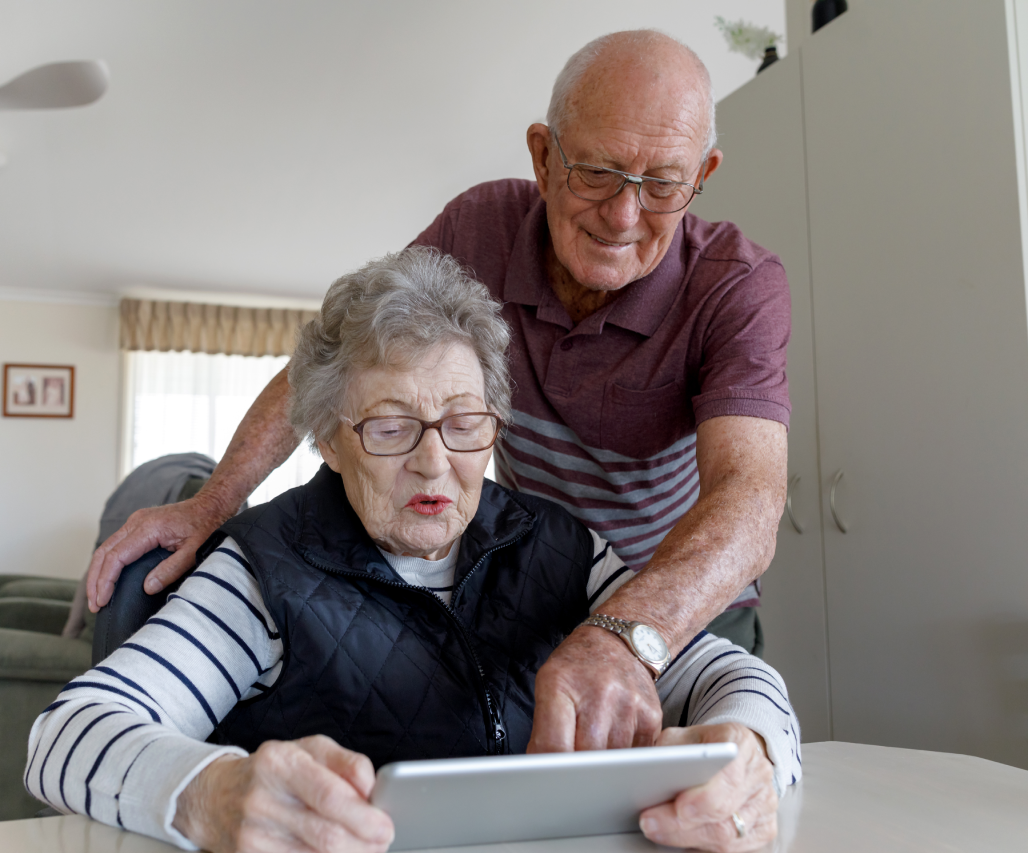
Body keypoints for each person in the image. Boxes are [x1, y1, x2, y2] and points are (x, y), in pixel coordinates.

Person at [87, 30, 790, 755]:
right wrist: (213, 501)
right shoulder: (480, 227)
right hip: (532, 581)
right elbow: (339, 353)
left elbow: (751, 499)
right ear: (545, 159)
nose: (622, 214)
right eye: (598, 172)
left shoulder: (736, 285)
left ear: (703, 172)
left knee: (716, 788)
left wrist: (626, 634)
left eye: (663, 182)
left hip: (672, 598)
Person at [28, 250, 800, 853]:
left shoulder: (564, 547)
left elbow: (730, 674)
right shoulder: (263, 569)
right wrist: (212, 793)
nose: (435, 464)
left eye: (465, 422)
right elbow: (68, 733)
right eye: (392, 427)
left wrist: (753, 753)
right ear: (330, 438)